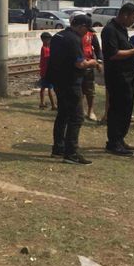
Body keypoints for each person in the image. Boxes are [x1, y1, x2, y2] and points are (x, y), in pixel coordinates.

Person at [46, 15, 100, 165]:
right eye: (86, 30)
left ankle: (58, 148)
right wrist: (93, 63)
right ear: (81, 26)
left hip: (58, 81)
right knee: (76, 117)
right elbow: (80, 64)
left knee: (62, 115)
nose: (86, 33)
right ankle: (72, 153)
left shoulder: (58, 36)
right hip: (71, 82)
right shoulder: (74, 39)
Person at [100, 3, 134, 156]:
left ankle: (120, 138)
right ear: (125, 15)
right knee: (117, 109)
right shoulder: (110, 30)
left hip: (128, 76)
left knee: (126, 108)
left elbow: (125, 49)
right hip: (117, 76)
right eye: (133, 18)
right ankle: (113, 142)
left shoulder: (122, 29)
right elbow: (113, 54)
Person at [81, 26, 104, 121]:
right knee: (79, 89)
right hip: (77, 64)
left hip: (89, 63)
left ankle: (91, 111)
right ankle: (81, 110)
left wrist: (99, 62)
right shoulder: (74, 34)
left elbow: (98, 49)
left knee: (90, 90)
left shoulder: (91, 34)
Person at [38, 32, 56, 110]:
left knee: (43, 87)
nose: (49, 41)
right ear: (44, 40)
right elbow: (47, 58)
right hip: (47, 72)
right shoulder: (44, 48)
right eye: (48, 39)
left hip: (45, 71)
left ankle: (42, 103)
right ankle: (53, 105)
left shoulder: (48, 47)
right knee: (50, 88)